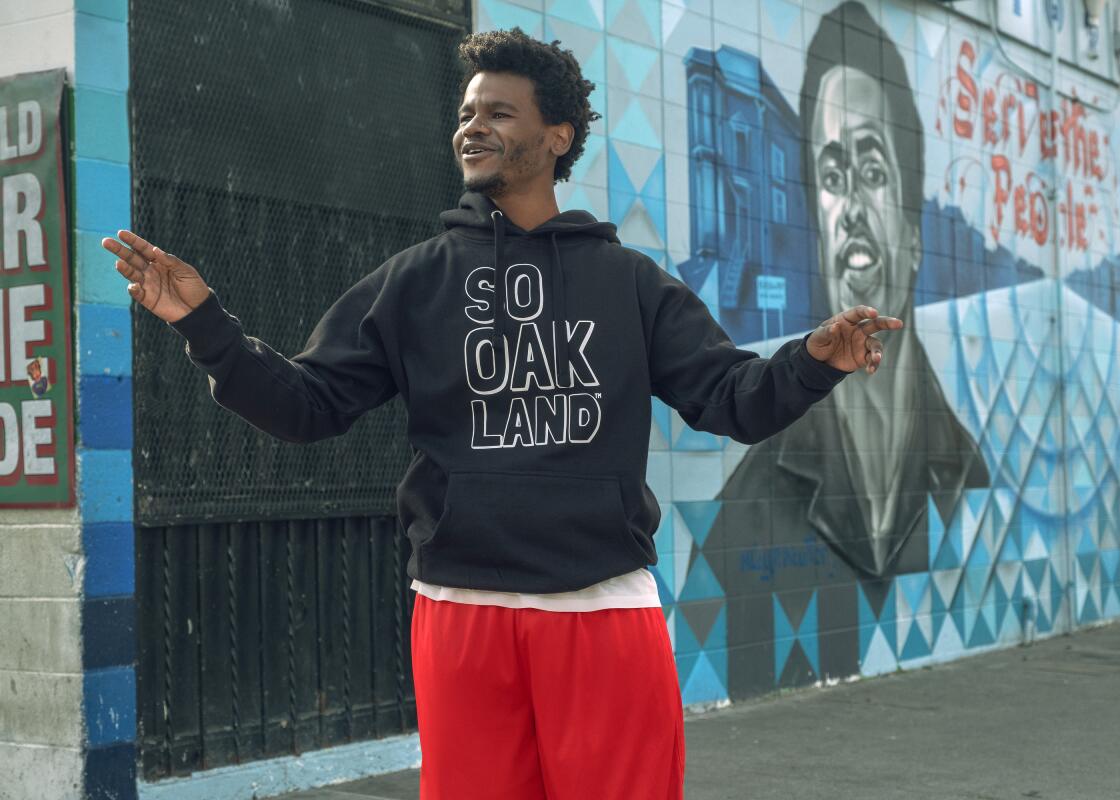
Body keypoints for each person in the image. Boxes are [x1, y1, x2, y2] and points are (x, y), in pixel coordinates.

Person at [102, 27, 901, 800]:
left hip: (600, 610)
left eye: (497, 113)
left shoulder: (629, 283)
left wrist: (811, 361)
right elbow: (307, 407)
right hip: (460, 614)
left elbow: (735, 399)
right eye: (464, 114)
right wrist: (203, 323)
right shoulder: (413, 283)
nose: (471, 128)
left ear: (558, 135)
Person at [706, 1, 988, 693]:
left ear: (916, 234)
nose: (852, 208)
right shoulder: (745, 512)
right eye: (832, 178)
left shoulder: (968, 478)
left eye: (873, 169)